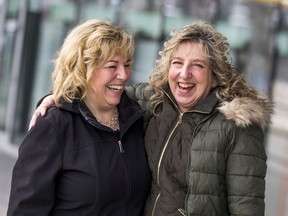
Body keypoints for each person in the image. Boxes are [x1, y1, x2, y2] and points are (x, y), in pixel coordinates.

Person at [29, 20, 273, 216]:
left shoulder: (237, 126)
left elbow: (247, 206)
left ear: (216, 75)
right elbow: (99, 90)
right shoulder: (150, 101)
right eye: (177, 62)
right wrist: (56, 99)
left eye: (197, 65)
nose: (184, 73)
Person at [7, 19, 151, 216]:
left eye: (127, 64)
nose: (124, 74)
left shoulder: (135, 120)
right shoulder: (53, 126)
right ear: (84, 69)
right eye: (112, 66)